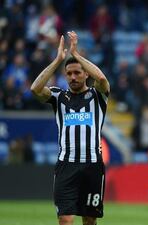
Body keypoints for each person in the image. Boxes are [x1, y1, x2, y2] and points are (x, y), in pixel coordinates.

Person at [30, 31, 110, 225]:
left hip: (92, 165)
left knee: (89, 220)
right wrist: (58, 60)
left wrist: (76, 55)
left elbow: (101, 79)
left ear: (85, 74)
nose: (73, 77)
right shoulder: (59, 97)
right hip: (66, 165)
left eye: (77, 72)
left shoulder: (98, 96)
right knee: (65, 219)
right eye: (69, 74)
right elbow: (35, 89)